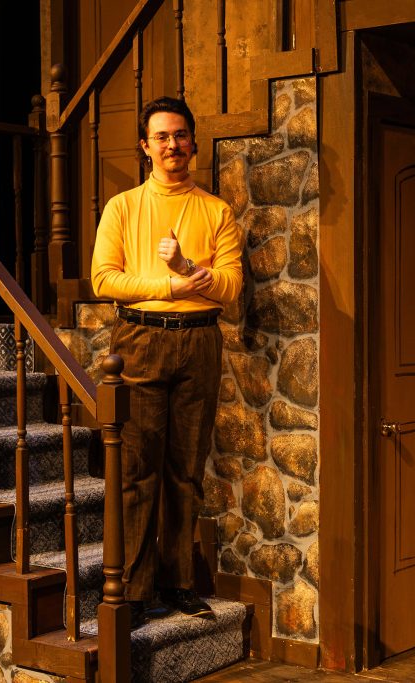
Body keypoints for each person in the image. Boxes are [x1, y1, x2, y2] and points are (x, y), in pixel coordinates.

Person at [91, 96, 243, 627]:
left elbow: (230, 288)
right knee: (137, 470)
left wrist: (187, 266)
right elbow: (104, 279)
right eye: (161, 136)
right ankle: (133, 589)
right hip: (139, 338)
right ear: (145, 146)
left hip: (200, 342)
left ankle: (178, 583)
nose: (172, 144)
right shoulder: (123, 207)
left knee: (186, 471)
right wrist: (172, 285)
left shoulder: (216, 211)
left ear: (193, 143)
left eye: (180, 135)